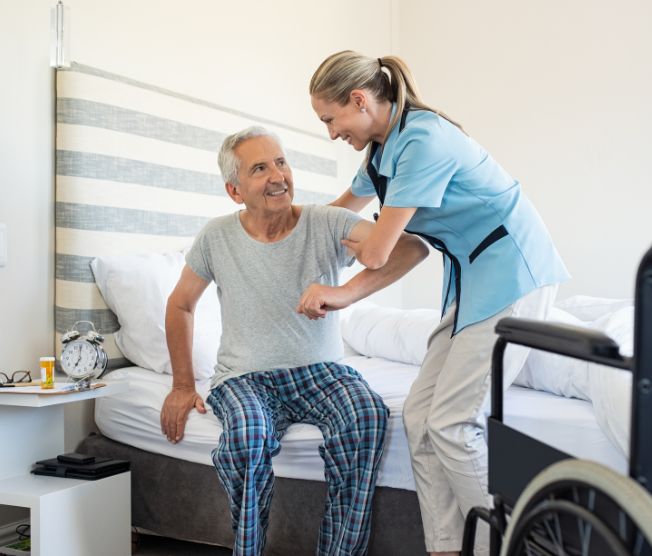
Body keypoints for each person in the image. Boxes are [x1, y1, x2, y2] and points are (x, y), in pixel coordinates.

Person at [306, 51, 570, 556]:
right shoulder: (382, 152)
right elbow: (339, 214)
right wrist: (285, 229)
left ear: (358, 100)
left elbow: (383, 250)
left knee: (452, 422)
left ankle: (517, 545)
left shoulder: (424, 140)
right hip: (474, 281)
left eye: (330, 118)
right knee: (418, 417)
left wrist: (339, 289)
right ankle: (447, 547)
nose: (331, 132)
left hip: (514, 273)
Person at [160, 126, 429, 556]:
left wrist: (343, 294)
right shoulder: (216, 236)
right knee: (248, 436)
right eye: (260, 168)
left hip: (321, 372)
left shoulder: (327, 222)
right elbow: (180, 305)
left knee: (366, 415)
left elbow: (410, 249)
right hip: (245, 379)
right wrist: (182, 385)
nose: (278, 176)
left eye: (282, 162)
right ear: (234, 190)